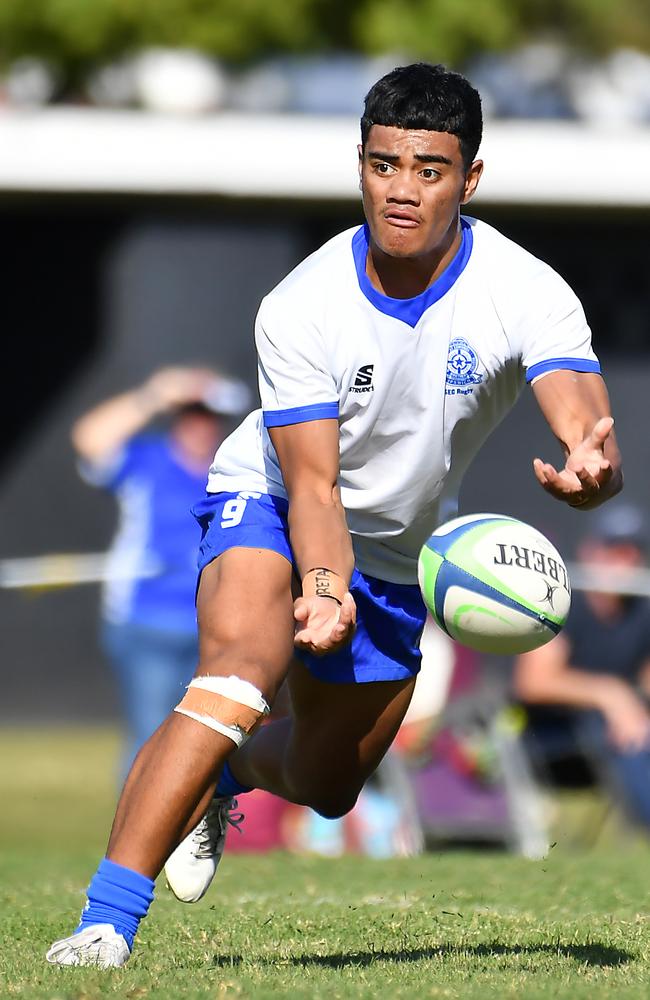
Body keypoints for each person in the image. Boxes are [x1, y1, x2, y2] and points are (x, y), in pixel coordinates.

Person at [46, 62, 622, 968]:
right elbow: (311, 485)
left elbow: (581, 410)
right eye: (384, 165)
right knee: (239, 670)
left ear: (470, 181)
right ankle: (104, 924)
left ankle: (229, 774)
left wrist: (593, 462)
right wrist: (320, 584)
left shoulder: (527, 289)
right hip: (273, 496)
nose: (403, 190)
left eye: (430, 170)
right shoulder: (302, 305)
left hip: (400, 546)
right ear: (359, 163)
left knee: (329, 783)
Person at [71, 366, 251, 774]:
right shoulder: (146, 460)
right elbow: (89, 439)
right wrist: (153, 395)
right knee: (150, 737)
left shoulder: (234, 473)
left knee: (209, 740)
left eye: (209, 416)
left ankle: (191, 832)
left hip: (215, 627)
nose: (201, 425)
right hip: (145, 623)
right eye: (192, 413)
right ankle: (138, 836)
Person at [513, 502, 650, 830]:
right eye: (614, 550)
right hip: (550, 735)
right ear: (591, 551)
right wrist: (611, 696)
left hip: (622, 730)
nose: (624, 561)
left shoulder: (641, 610)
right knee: (624, 735)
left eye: (632, 552)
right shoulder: (561, 603)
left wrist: (631, 703)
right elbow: (533, 682)